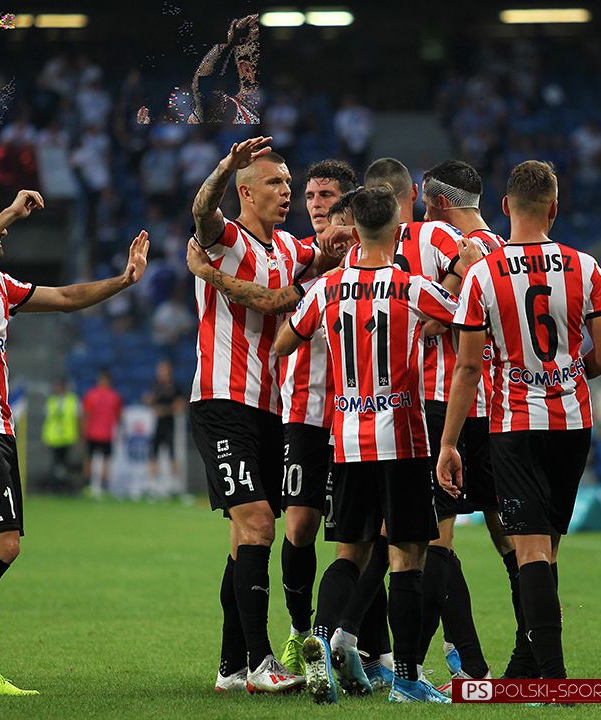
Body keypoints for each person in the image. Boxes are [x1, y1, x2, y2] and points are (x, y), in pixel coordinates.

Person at [0, 186, 148, 699]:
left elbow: (65, 299)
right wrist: (11, 212)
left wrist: (123, 280)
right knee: (5, 546)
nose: (2, 229)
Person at [275, 186, 458, 704]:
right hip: (404, 439)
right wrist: (461, 267)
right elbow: (460, 314)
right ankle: (407, 679)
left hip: (347, 440)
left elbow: (285, 342)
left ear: (353, 229)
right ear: (398, 228)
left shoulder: (327, 288)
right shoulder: (412, 286)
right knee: (406, 555)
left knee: (349, 552)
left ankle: (322, 637)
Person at [439, 160, 601, 683]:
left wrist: (449, 443)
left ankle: (552, 678)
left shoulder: (482, 274)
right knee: (547, 549)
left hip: (514, 424)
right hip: (572, 423)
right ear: (554, 209)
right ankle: (524, 666)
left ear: (504, 206)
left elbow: (468, 367)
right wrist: (566, 375)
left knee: (530, 548)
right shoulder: (585, 266)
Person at [189, 136, 340, 694]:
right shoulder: (226, 238)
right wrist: (226, 165)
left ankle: (230, 668)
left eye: (290, 184)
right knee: (257, 524)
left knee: (245, 540)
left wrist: (347, 230)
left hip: (269, 409)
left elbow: (330, 256)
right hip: (222, 401)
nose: (288, 192)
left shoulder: (288, 250)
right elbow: (202, 210)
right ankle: (260, 663)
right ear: (247, 193)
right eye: (276, 183)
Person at [418, 159, 507, 682]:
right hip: (503, 409)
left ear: (437, 203)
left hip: (452, 406)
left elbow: (431, 325)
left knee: (437, 539)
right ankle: (536, 646)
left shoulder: (457, 251)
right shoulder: (507, 253)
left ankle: (441, 662)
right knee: (513, 536)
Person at [144, 359, 185, 492]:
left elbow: (180, 406)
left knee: (172, 454)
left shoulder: (175, 387)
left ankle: (175, 484)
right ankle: (152, 484)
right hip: (157, 425)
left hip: (170, 425)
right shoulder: (155, 386)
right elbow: (149, 401)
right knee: (153, 453)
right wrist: (150, 402)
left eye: (163, 370)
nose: (161, 373)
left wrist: (165, 410)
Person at [82, 369, 123, 498]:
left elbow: (118, 416)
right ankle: (90, 485)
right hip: (95, 433)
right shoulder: (98, 395)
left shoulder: (111, 396)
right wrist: (84, 430)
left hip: (104, 433)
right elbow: (86, 414)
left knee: (101, 461)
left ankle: (100, 486)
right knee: (92, 460)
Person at [40, 378, 79, 493]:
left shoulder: (72, 400)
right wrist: (45, 437)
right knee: (55, 464)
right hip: (54, 438)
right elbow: (47, 421)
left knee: (65, 464)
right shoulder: (51, 401)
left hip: (67, 438)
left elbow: (77, 419)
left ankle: (64, 487)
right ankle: (55, 487)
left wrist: (78, 437)